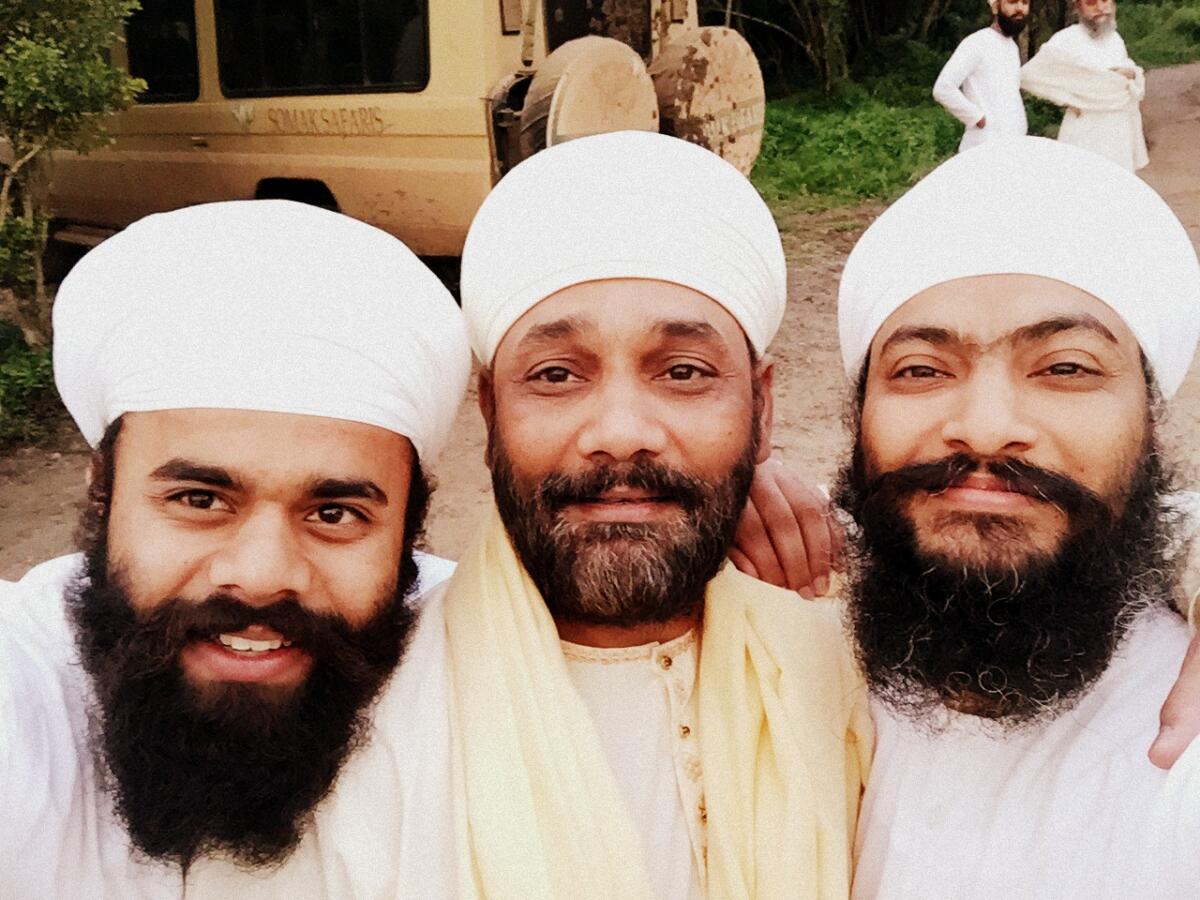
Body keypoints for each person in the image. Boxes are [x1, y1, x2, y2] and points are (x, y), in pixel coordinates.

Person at [409, 129, 871, 900]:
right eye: (556, 375)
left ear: (760, 408)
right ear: (490, 411)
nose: (621, 431)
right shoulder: (378, 712)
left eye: (685, 373)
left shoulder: (855, 672)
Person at [0, 200, 472, 898]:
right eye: (200, 500)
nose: (261, 577)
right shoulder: (24, 680)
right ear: (102, 495)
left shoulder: (478, 671)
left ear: (411, 528)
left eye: (334, 513)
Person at [834, 136, 1200, 898]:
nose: (987, 426)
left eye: (1064, 368)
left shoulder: (1183, 739)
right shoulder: (770, 659)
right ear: (857, 417)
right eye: (922, 370)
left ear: (1151, 423)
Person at [1021, 0, 1148, 170]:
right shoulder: (1067, 39)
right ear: (1078, 7)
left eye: (1105, 1)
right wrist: (1066, 99)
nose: (1100, 8)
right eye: (1091, 3)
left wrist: (1131, 73)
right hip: (1085, 128)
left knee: (1118, 185)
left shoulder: (1115, 39)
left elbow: (1127, 81)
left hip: (1119, 129)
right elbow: (1029, 75)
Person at [933, 0, 1030, 153]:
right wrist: (977, 118)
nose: (1020, 8)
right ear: (995, 7)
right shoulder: (977, 43)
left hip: (1014, 146)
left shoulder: (1012, 47)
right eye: (1012, 2)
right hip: (982, 148)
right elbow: (943, 88)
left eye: (1025, 2)